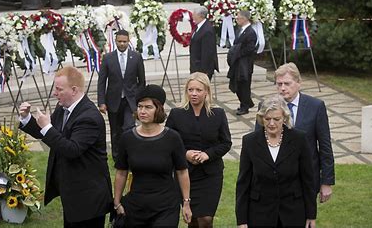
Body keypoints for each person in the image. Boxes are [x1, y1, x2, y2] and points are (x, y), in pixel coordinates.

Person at [18, 66, 112, 227]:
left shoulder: (89, 117)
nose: (55, 93)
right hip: (72, 193)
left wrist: (47, 127)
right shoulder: (62, 109)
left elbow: (71, 149)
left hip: (89, 198)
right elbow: (49, 136)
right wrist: (27, 119)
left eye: (59, 89)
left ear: (74, 90)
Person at [113, 84, 193, 227]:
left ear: (159, 109)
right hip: (135, 206)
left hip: (166, 207)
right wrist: (117, 202)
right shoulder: (127, 138)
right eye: (140, 106)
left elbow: (182, 172)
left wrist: (186, 203)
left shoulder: (172, 138)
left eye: (148, 107)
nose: (142, 111)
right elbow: (121, 172)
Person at [256, 62, 335, 203]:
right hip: (274, 180)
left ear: (299, 83)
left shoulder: (315, 107)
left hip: (306, 178)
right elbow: (257, 143)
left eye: (287, 83)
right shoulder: (265, 106)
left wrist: (326, 182)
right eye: (279, 84)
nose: (282, 88)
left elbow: (325, 146)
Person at [236, 95, 316, 228]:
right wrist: (242, 220)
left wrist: (311, 215)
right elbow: (243, 183)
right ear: (262, 119)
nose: (271, 123)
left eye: (276, 119)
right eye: (267, 119)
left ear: (284, 118)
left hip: (293, 212)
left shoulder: (299, 139)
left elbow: (308, 181)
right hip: (260, 213)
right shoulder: (250, 142)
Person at [166, 72, 232, 228]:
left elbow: (226, 143)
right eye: (190, 90)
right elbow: (168, 142)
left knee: (206, 219)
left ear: (207, 91)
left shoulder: (218, 114)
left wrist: (208, 154)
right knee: (193, 219)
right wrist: (185, 154)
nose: (194, 94)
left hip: (211, 174)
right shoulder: (177, 114)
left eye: (198, 90)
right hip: (185, 174)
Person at [97, 29, 146, 161]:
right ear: (115, 41)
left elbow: (142, 81)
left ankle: (131, 154)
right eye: (120, 41)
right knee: (115, 131)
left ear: (128, 41)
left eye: (125, 41)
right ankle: (117, 157)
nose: (122, 44)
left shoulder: (136, 57)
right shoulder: (108, 58)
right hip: (113, 100)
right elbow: (102, 81)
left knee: (129, 127)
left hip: (131, 100)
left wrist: (139, 100)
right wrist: (101, 102)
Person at [227, 10, 257, 115]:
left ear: (244, 19)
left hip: (245, 65)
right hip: (238, 64)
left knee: (244, 86)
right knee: (238, 85)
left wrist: (237, 53)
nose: (237, 19)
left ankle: (245, 106)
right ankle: (245, 103)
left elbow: (250, 48)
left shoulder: (251, 32)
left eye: (238, 18)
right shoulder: (240, 30)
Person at [190, 6, 219, 79]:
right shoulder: (199, 27)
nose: (192, 16)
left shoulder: (207, 30)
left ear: (201, 16)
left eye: (194, 14)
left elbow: (208, 52)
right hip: (196, 66)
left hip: (202, 69)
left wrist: (204, 71)